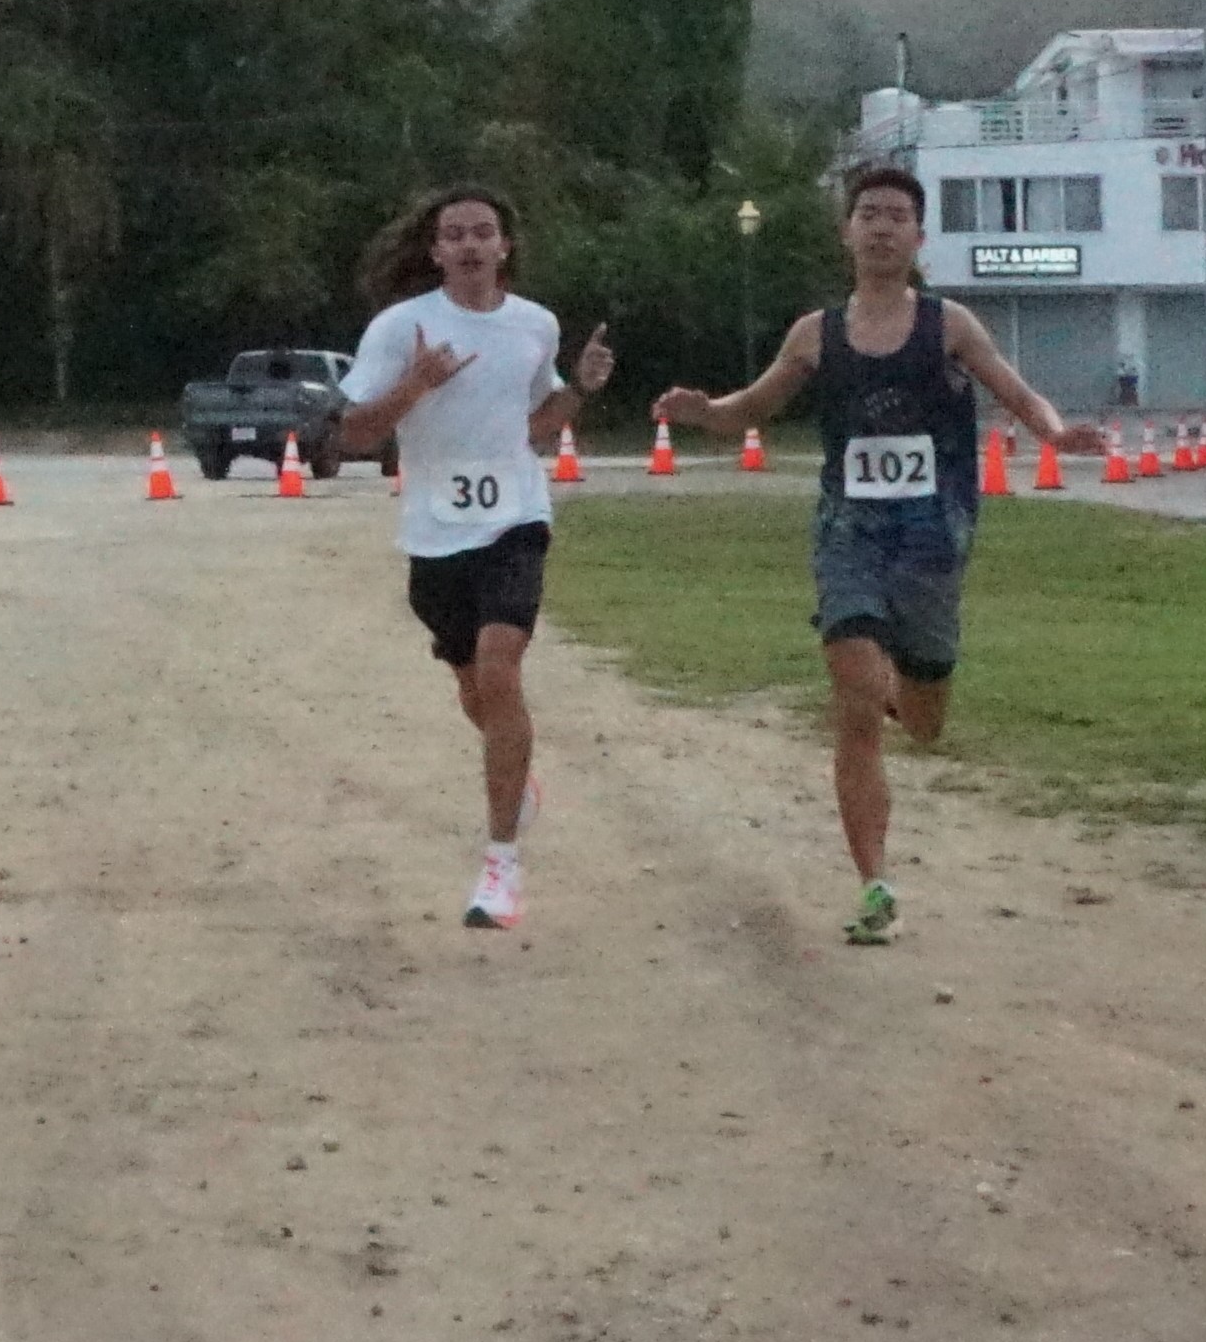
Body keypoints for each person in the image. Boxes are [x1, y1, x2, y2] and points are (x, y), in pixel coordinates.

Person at [656, 163, 1103, 946]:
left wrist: (1054, 433)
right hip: (849, 530)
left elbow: (1016, 391)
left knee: (922, 719)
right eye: (869, 213)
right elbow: (754, 407)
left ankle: (911, 686)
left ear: (919, 236)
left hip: (935, 531)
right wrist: (703, 412)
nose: (883, 226)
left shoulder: (949, 324)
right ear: (847, 231)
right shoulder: (815, 333)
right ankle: (873, 883)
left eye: (898, 215)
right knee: (855, 695)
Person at [336, 186, 608, 931]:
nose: (468, 246)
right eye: (453, 235)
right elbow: (353, 434)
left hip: (515, 519)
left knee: (500, 665)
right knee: (476, 691)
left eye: (482, 233)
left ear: (504, 246)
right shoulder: (402, 327)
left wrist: (580, 389)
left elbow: (539, 427)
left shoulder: (535, 326)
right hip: (434, 532)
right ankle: (512, 772)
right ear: (434, 251)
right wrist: (415, 385)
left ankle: (500, 866)